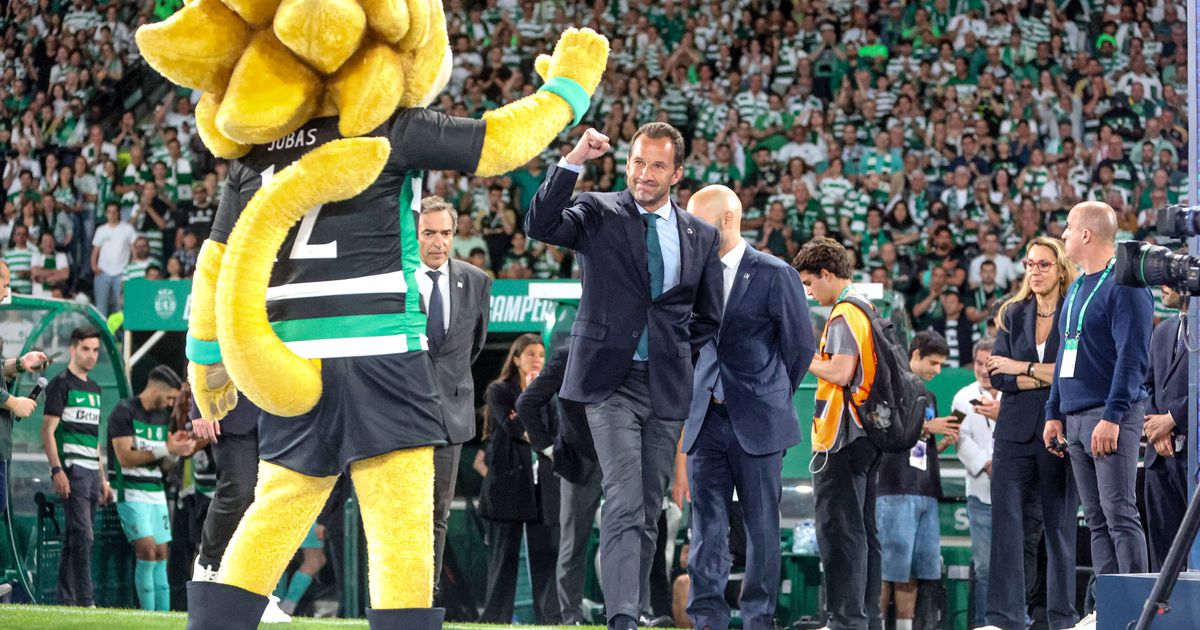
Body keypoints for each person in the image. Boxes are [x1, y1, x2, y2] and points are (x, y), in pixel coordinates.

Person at [525, 122, 722, 630]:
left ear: (676, 173)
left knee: (650, 508)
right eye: (638, 162)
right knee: (625, 497)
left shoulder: (701, 235)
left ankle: (629, 608)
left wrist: (676, 355)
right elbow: (540, 224)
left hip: (665, 386)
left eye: (658, 165)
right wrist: (573, 160)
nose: (644, 174)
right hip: (607, 384)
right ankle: (622, 619)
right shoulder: (597, 210)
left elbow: (708, 316)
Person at [676, 184, 815, 630]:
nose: (690, 233)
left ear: (727, 219)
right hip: (705, 421)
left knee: (761, 528)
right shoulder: (692, 275)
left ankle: (758, 618)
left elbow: (799, 347)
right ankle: (707, 619)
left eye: (698, 224)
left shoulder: (775, 273)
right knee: (706, 528)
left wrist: (768, 393)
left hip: (759, 421)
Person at [1045, 201, 1152, 625]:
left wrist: (1113, 415)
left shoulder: (1126, 285)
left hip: (1110, 417)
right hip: (1074, 418)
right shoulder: (1076, 288)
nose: (1064, 234)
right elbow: (1063, 354)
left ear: (1087, 234)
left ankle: (1138, 612)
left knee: (1119, 513)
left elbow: (1132, 357)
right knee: (1096, 520)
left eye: (1069, 227)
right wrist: (1053, 411)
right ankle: (1108, 609)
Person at [983, 236, 1080, 630]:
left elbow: (1073, 373)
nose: (1035, 271)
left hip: (1059, 433)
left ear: (1060, 269)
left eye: (1043, 264)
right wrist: (1041, 374)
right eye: (1029, 264)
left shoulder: (1075, 311)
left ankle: (1062, 617)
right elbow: (997, 374)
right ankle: (1004, 617)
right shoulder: (1012, 312)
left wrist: (1021, 368)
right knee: (1006, 528)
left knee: (1059, 529)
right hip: (1012, 435)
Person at [793, 236, 881, 630]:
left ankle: (845, 619)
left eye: (810, 283)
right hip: (864, 435)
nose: (809, 292)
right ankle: (863, 617)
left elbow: (841, 372)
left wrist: (804, 355)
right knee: (861, 532)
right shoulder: (866, 307)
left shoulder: (845, 313)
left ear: (827, 274)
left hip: (842, 437)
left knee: (840, 532)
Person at [415, 195, 492, 593]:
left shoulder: (477, 281)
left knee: (438, 511)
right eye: (429, 233)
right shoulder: (395, 279)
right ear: (414, 234)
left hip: (450, 414)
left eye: (445, 233)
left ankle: (425, 595)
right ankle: (393, 594)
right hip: (401, 413)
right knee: (400, 511)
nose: (438, 242)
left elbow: (473, 347)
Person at [877, 331, 960, 630]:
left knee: (912, 571)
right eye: (933, 363)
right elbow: (887, 431)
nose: (937, 370)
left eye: (941, 365)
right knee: (887, 570)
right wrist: (926, 426)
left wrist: (940, 442)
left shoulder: (930, 395)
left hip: (925, 489)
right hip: (894, 487)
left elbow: (920, 446)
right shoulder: (890, 386)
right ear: (915, 355)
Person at [477, 334, 559, 624]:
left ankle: (548, 618)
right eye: (530, 354)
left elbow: (553, 429)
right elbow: (515, 429)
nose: (536, 359)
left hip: (543, 488)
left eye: (541, 354)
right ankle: (495, 619)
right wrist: (531, 408)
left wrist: (537, 400)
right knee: (504, 558)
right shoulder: (499, 390)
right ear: (516, 359)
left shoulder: (549, 393)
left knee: (546, 556)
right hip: (508, 486)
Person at [516, 345, 600, 626]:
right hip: (580, 461)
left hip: (620, 459)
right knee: (573, 543)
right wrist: (549, 450)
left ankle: (626, 612)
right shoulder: (569, 354)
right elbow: (526, 403)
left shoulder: (626, 348)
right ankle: (571, 616)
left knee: (627, 539)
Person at [189, 393, 292, 622]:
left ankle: (260, 591)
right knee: (238, 492)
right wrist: (200, 406)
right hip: (233, 409)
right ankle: (209, 568)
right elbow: (201, 366)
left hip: (282, 413)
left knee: (272, 501)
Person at [107, 365, 192, 611]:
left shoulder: (162, 417)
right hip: (130, 491)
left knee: (161, 554)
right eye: (170, 398)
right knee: (146, 550)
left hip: (156, 493)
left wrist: (176, 451)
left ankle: (161, 617)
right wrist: (166, 448)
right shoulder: (124, 411)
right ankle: (147, 615)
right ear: (156, 390)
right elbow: (125, 457)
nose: (171, 404)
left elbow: (163, 465)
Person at [41, 326, 112, 607]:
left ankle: (66, 600)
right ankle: (86, 600)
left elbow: (95, 440)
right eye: (85, 349)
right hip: (73, 470)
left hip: (92, 472)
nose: (91, 355)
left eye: (95, 350)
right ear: (72, 349)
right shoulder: (61, 384)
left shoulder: (95, 389)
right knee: (83, 535)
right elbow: (47, 431)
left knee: (75, 537)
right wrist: (57, 470)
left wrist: (103, 478)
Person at [953, 337, 999, 629]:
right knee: (983, 568)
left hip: (1013, 494)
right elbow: (958, 437)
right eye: (979, 364)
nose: (983, 370)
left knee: (1015, 565)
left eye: (988, 364)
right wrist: (986, 463)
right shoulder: (962, 397)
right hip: (980, 494)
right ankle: (984, 623)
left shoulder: (1013, 394)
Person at [1142, 283, 1189, 571]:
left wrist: (1173, 418)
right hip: (1160, 456)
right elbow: (1147, 385)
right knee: (1163, 554)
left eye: (1171, 277)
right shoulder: (1162, 330)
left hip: (1193, 454)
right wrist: (1156, 426)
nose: (1163, 285)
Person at [91, 201, 137, 315]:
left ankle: (121, 328)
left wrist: (131, 267)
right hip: (102, 272)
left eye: (114, 212)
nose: (112, 215)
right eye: (109, 212)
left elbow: (134, 249)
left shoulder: (127, 229)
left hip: (121, 273)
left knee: (120, 307)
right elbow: (95, 250)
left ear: (119, 213)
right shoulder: (101, 230)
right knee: (101, 307)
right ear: (106, 213)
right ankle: (102, 327)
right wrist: (93, 266)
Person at [274, 520, 326, 616]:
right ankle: (285, 608)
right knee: (314, 561)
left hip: (286, 517)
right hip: (304, 517)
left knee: (281, 560)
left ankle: (278, 605)